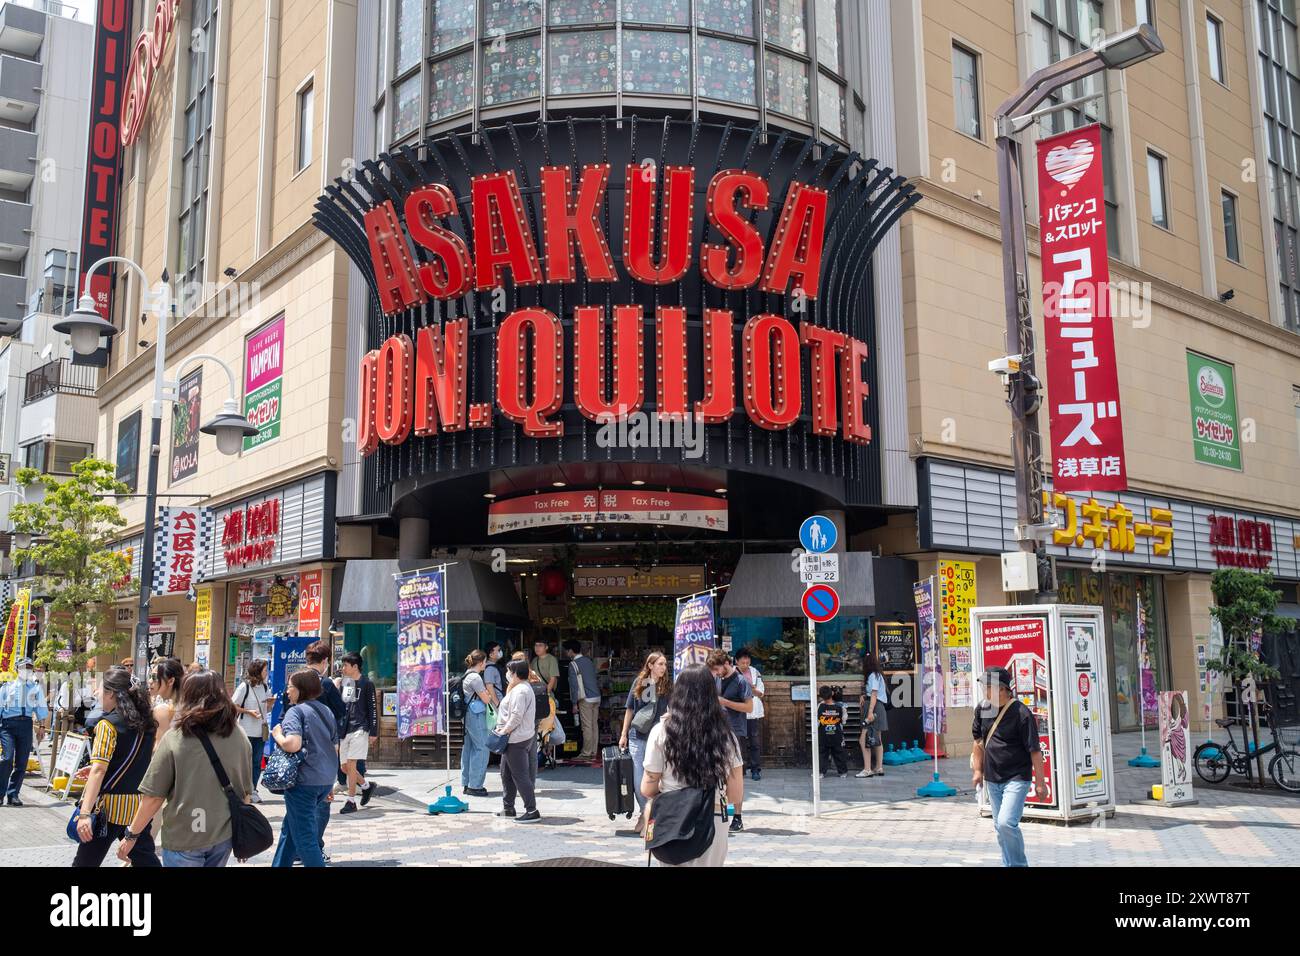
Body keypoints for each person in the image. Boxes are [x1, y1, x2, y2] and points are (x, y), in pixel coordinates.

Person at [121, 670, 253, 867]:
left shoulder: (176, 738)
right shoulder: (239, 736)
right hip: (222, 834)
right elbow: (245, 793)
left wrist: (131, 835)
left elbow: (153, 797)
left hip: (184, 835)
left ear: (188, 697)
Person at [641, 664, 745, 867]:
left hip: (672, 819)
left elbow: (647, 787)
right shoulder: (726, 736)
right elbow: (735, 795)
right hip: (714, 818)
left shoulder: (661, 732)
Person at [72, 667, 160, 867]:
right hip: (137, 808)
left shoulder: (107, 725)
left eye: (101, 689)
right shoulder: (147, 723)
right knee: (146, 861)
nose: (97, 693)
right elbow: (137, 760)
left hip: (108, 809)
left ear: (111, 693)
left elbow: (99, 770)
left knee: (85, 864)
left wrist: (85, 813)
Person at [971, 666, 1049, 867]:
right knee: (1000, 827)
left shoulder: (1021, 713)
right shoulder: (982, 709)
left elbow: (1034, 750)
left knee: (1006, 823)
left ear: (1002, 688)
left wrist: (1040, 783)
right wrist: (978, 770)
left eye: (988, 686)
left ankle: (1018, 865)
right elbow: (978, 741)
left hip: (1016, 777)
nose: (985, 691)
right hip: (992, 778)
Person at [270, 669, 339, 867]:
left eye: (290, 687)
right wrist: (331, 785)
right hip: (324, 780)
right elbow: (334, 748)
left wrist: (277, 735)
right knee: (290, 830)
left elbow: (293, 744)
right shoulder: (326, 711)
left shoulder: (295, 712)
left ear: (301, 689)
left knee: (305, 838)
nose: (287, 692)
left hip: (303, 782)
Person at [618, 651, 669, 831]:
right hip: (638, 735)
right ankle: (644, 813)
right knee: (639, 776)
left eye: (664, 664)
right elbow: (630, 709)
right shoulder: (642, 683)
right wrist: (623, 734)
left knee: (657, 775)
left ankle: (651, 815)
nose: (663, 668)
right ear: (650, 665)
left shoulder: (667, 685)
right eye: (660, 664)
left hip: (659, 736)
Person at [706, 648, 752, 832]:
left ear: (726, 664)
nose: (717, 673)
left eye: (718, 669)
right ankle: (722, 812)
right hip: (717, 731)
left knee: (736, 774)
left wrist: (725, 702)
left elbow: (749, 707)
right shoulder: (716, 679)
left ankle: (738, 817)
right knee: (719, 774)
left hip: (736, 731)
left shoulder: (742, 681)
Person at [494, 659, 541, 823]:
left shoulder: (521, 690)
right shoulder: (519, 688)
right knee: (506, 773)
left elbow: (516, 716)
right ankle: (508, 807)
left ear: (515, 673)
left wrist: (503, 731)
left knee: (520, 775)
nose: (507, 674)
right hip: (514, 738)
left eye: (509, 671)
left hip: (516, 738)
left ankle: (532, 810)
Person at [0, 657, 48, 806]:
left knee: (21, 762)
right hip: (7, 726)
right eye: (23, 668)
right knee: (7, 759)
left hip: (26, 725)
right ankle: (0, 793)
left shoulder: (35, 688)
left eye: (29, 668)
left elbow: (40, 709)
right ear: (16, 670)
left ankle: (13, 794)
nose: (27, 670)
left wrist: (42, 727)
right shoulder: (6, 687)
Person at [337, 652, 378, 814]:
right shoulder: (346, 682)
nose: (343, 668)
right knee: (345, 767)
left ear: (355, 666)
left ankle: (351, 800)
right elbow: (345, 705)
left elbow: (373, 709)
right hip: (345, 729)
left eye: (345, 665)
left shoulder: (367, 683)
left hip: (361, 728)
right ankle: (367, 786)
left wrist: (373, 731)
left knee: (352, 764)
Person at [232, 659, 274, 800]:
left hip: (260, 730)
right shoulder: (245, 687)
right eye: (264, 671)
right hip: (245, 730)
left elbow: (267, 709)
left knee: (257, 762)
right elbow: (233, 706)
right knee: (245, 762)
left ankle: (253, 789)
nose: (266, 673)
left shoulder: (265, 687)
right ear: (257, 671)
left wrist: (270, 704)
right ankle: (243, 790)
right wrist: (249, 711)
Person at [460, 650, 493, 797]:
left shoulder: (466, 675)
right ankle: (476, 785)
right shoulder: (475, 678)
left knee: (469, 748)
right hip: (476, 715)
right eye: (485, 661)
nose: (485, 664)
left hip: (467, 715)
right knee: (482, 748)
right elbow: (486, 699)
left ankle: (467, 783)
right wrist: (488, 694)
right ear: (480, 662)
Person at [563, 639, 601, 763]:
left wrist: (574, 703)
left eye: (566, 651)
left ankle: (586, 753)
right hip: (596, 696)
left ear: (570, 651)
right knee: (594, 725)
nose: (566, 653)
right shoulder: (589, 661)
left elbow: (574, 686)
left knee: (586, 726)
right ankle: (594, 752)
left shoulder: (573, 664)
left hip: (586, 698)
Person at [734, 647, 765, 781]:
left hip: (752, 711)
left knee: (754, 741)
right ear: (736, 661)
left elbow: (761, 692)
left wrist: (753, 690)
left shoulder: (755, 672)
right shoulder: (732, 673)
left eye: (747, 662)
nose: (746, 665)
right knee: (738, 742)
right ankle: (740, 769)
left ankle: (755, 769)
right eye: (743, 663)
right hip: (738, 712)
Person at [857, 653, 889, 778]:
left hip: (874, 707)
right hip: (879, 707)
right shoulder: (878, 675)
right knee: (877, 738)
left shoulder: (872, 676)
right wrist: (865, 696)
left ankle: (867, 769)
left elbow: (874, 694)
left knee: (864, 739)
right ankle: (879, 767)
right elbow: (874, 693)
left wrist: (870, 712)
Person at [816, 685, 848, 777]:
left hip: (823, 735)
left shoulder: (820, 706)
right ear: (832, 694)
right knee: (839, 754)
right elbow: (844, 720)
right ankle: (843, 772)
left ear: (821, 696)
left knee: (822, 754)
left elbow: (817, 721)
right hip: (837, 735)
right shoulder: (840, 707)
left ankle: (821, 773)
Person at [149, 657, 185, 732]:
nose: (150, 681)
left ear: (171, 681)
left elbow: (159, 742)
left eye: (154, 677)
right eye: (150, 676)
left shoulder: (164, 711)